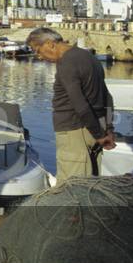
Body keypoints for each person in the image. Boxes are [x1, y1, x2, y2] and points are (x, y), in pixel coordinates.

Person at [27, 27, 115, 181]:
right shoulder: (89, 57)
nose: (39, 56)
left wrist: (100, 135)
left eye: (38, 50)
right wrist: (108, 128)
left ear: (50, 44)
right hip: (96, 128)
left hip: (74, 131)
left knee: (72, 187)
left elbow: (79, 104)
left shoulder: (66, 63)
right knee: (90, 185)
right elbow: (107, 97)